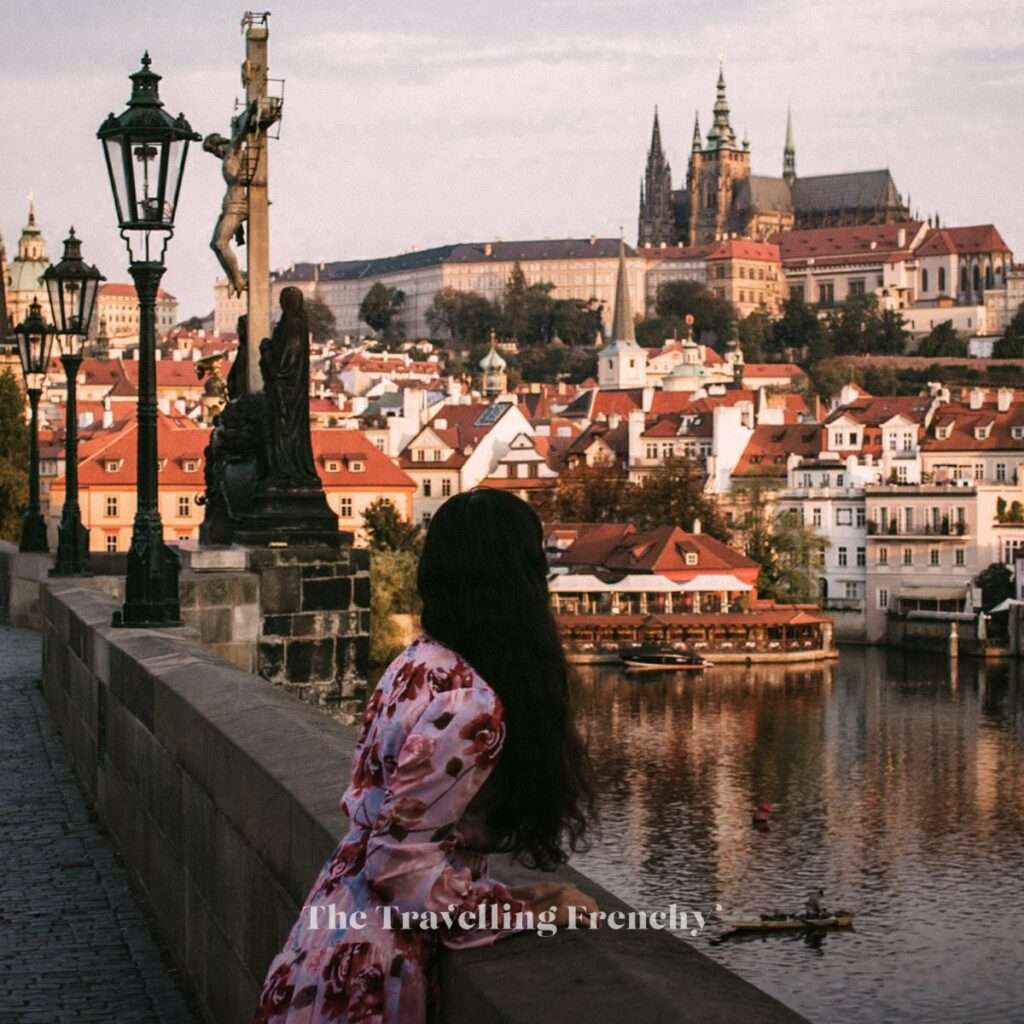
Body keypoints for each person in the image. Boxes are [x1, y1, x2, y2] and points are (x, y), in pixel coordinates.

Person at [252, 489, 597, 1022]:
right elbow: (397, 868)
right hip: (372, 966)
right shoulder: (470, 708)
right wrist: (524, 911)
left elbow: (401, 833)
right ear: (518, 583)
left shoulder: (416, 662)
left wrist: (499, 889)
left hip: (330, 926)